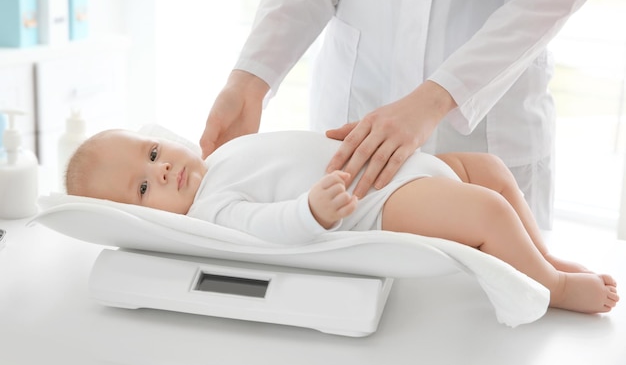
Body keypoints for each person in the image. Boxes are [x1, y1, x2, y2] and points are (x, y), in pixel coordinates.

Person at [199, 0, 606, 231]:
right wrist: (250, 79)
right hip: (358, 102)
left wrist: (439, 95)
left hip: (485, 113)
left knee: (493, 312)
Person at [66, 128, 619, 315]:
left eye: (154, 151)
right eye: (142, 186)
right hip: (380, 201)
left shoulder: (220, 160)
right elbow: (264, 224)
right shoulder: (211, 209)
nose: (161, 170)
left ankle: (541, 258)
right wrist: (311, 211)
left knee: (492, 171)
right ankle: (555, 289)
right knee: (488, 211)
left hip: (394, 165)